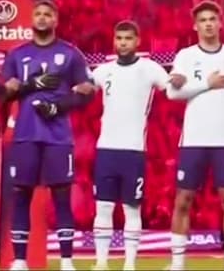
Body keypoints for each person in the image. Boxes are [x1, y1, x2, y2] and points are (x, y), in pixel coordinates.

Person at [0, 0, 92, 271]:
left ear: (55, 20)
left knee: (61, 196)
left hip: (58, 136)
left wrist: (58, 107)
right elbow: (4, 93)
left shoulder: (70, 54)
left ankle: (66, 261)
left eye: (47, 14)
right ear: (32, 19)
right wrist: (29, 85)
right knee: (21, 194)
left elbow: (87, 91)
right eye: (37, 13)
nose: (41, 17)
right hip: (25, 134)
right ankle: (20, 261)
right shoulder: (17, 54)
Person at [165, 1, 224, 271]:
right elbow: (172, 93)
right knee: (183, 200)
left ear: (220, 23)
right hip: (193, 140)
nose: (208, 24)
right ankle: (177, 264)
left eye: (212, 19)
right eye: (203, 20)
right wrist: (206, 84)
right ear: (195, 26)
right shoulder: (186, 56)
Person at [90, 20, 170, 271]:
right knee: (103, 207)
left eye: (128, 38)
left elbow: (172, 90)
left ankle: (129, 264)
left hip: (134, 151)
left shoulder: (151, 69)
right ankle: (101, 263)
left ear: (137, 41)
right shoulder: (102, 71)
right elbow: (82, 91)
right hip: (106, 150)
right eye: (119, 38)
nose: (123, 43)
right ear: (114, 41)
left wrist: (182, 80)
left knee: (131, 209)